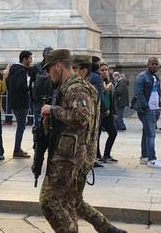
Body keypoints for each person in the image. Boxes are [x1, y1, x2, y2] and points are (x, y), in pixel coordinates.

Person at [40, 50, 127, 233]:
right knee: (72, 202)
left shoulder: (76, 88)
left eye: (49, 69)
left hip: (70, 155)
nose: (48, 74)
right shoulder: (73, 86)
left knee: (50, 201)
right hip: (80, 152)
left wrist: (52, 110)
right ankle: (107, 229)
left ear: (58, 66)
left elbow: (81, 117)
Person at [133, 57, 161, 168]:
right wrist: (146, 107)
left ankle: (144, 157)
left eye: (156, 64)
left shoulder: (155, 77)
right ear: (148, 65)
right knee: (151, 134)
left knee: (146, 133)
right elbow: (138, 93)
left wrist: (159, 106)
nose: (155, 66)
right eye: (153, 64)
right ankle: (152, 159)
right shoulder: (142, 77)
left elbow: (157, 93)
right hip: (147, 110)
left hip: (155, 109)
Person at [6, 50, 33, 158]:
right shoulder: (22, 71)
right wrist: (30, 88)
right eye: (30, 58)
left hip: (14, 101)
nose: (31, 61)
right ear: (24, 59)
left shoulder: (13, 69)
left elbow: (8, 84)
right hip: (21, 102)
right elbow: (21, 86)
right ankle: (17, 150)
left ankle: (18, 148)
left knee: (20, 126)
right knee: (21, 126)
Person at [98, 63, 118, 163]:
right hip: (99, 113)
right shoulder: (97, 81)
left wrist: (114, 112)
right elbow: (97, 94)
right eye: (102, 70)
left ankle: (107, 154)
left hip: (108, 112)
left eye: (106, 69)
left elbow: (113, 98)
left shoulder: (110, 81)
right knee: (97, 135)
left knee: (113, 133)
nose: (104, 72)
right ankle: (97, 155)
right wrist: (105, 89)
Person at [89, 56, 106, 168]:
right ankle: (92, 159)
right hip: (95, 110)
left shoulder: (86, 76)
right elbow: (100, 95)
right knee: (94, 135)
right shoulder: (97, 77)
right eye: (98, 64)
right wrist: (106, 108)